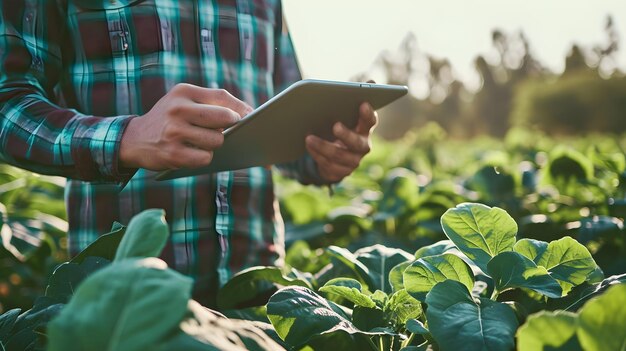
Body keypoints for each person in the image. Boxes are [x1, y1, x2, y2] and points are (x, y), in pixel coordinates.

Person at [0, 0, 376, 306]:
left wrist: (324, 154)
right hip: (125, 308)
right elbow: (8, 102)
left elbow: (279, 116)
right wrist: (127, 138)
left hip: (258, 300)